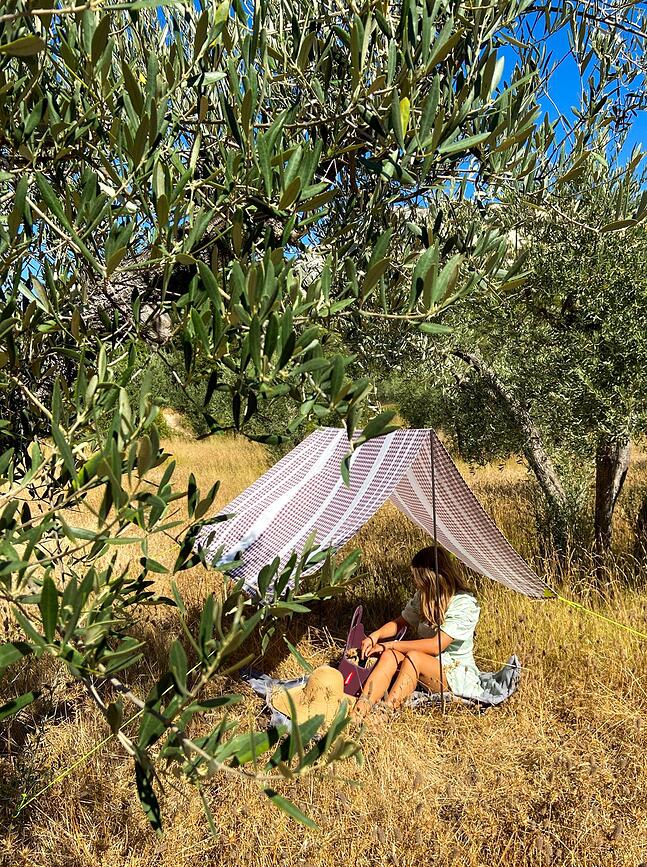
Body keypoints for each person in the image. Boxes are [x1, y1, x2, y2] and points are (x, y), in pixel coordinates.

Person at [352, 545, 483, 721]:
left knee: (413, 657)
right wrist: (375, 635)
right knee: (390, 656)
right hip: (427, 663)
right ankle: (359, 710)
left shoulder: (464, 603)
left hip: (453, 672)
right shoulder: (424, 596)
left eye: (419, 579)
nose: (416, 583)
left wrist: (391, 644)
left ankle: (384, 714)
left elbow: (437, 646)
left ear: (431, 579)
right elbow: (401, 622)